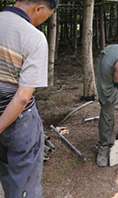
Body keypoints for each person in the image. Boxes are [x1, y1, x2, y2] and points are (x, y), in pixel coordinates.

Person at [0, 0, 58, 197]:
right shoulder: (33, 37)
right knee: (24, 181)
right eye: (46, 17)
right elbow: (23, 97)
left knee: (6, 170)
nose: (42, 22)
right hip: (19, 122)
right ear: (39, 8)